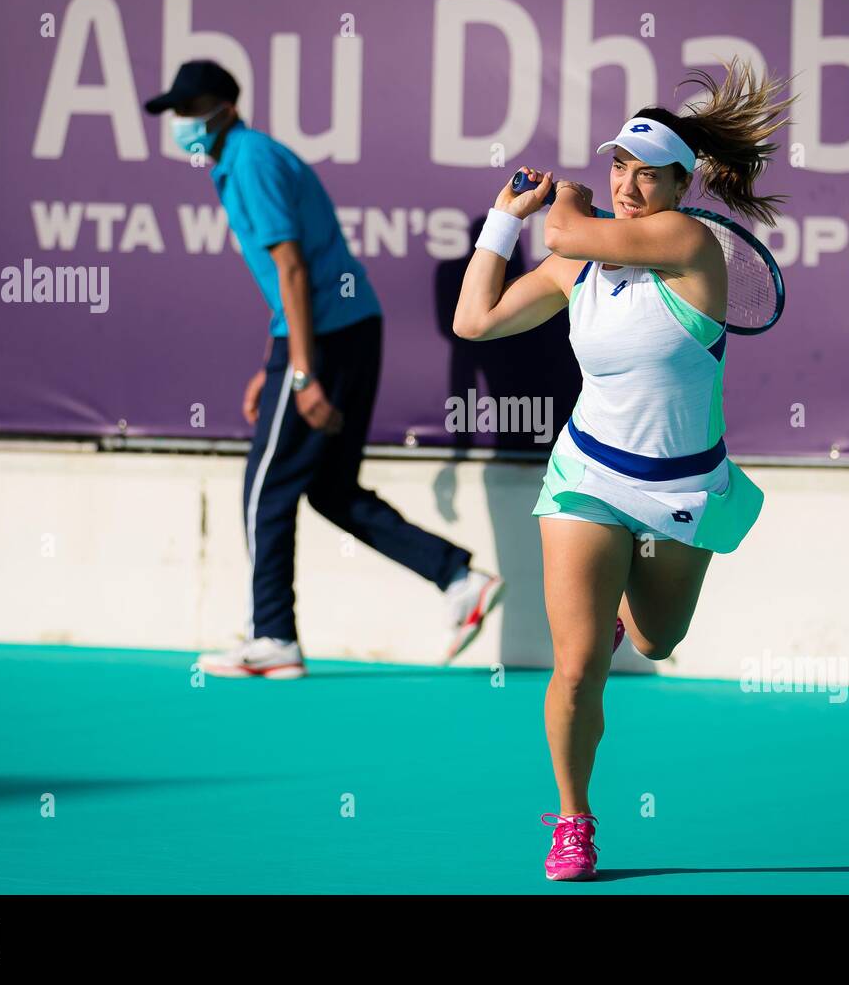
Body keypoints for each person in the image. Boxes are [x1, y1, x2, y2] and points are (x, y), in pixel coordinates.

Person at [452, 60, 794, 880]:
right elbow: (475, 320)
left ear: (683, 184)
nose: (629, 186)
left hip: (682, 488)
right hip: (586, 477)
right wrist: (503, 222)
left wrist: (563, 199)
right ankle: (574, 819)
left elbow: (569, 229)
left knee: (659, 641)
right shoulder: (575, 270)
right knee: (574, 670)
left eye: (647, 174)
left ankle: (624, 618)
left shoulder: (690, 244)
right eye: (617, 167)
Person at [144, 60, 503, 680]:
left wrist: (301, 373)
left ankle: (274, 637)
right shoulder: (242, 159)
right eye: (176, 110)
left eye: (191, 108)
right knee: (330, 489)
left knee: (265, 491)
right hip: (345, 330)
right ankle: (457, 576)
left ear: (225, 108)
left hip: (329, 339)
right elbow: (286, 276)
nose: (182, 122)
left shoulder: (250, 160)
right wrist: (273, 362)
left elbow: (293, 270)